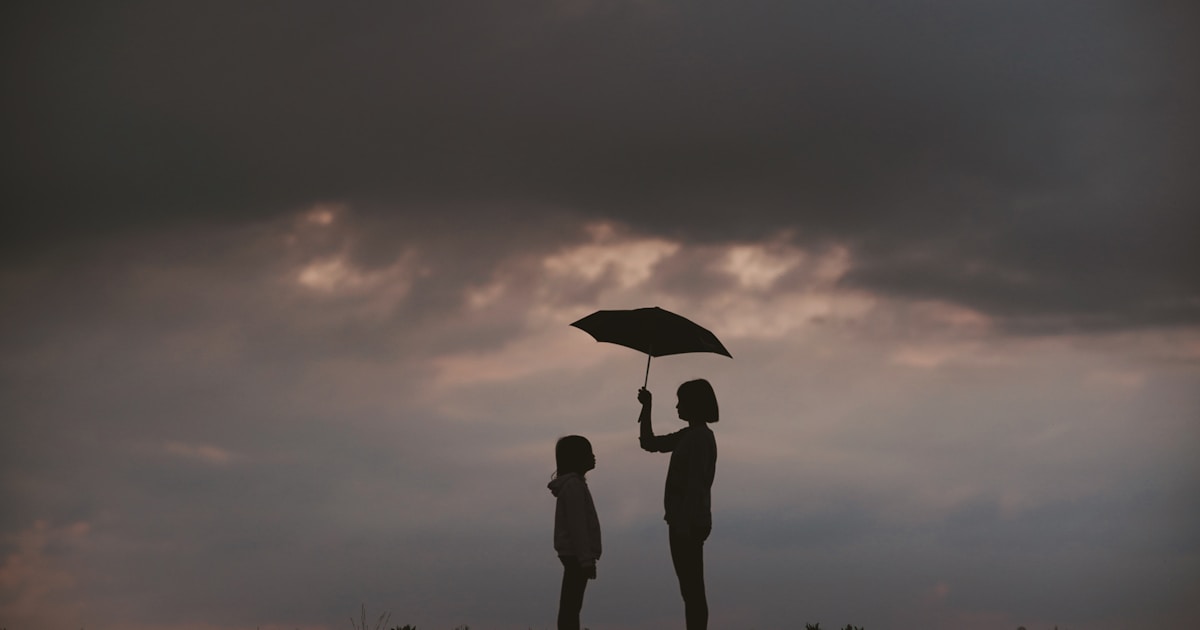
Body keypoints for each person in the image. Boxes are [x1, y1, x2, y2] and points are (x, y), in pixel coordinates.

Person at [637, 379, 718, 630]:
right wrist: (646, 407)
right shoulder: (690, 435)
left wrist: (684, 524)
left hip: (689, 523)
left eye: (681, 401)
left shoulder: (700, 438)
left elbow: (695, 485)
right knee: (690, 589)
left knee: (692, 589)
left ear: (695, 404)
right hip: (685, 521)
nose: (677, 406)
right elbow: (649, 443)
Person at [547, 435, 601, 630]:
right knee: (571, 606)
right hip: (576, 556)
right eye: (588, 453)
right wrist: (586, 560)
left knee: (571, 605)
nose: (594, 457)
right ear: (576, 458)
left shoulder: (574, 485)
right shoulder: (573, 487)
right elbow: (578, 526)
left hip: (574, 555)